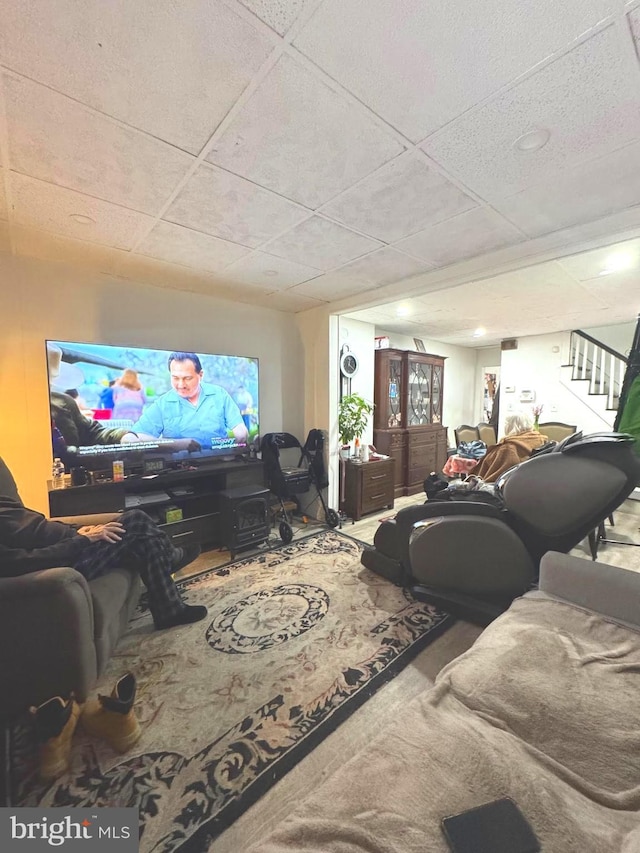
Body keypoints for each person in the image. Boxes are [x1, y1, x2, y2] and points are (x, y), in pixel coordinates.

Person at [0, 455, 207, 630]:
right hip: (62, 565)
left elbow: (40, 526)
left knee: (143, 541)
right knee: (136, 520)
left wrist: (77, 531)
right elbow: (23, 561)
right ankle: (170, 560)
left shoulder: (5, 504)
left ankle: (169, 610)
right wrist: (81, 541)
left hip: (71, 547)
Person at [127, 352, 249, 449]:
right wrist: (176, 444)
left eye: (187, 378)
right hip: (179, 471)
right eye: (175, 378)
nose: (181, 385)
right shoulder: (162, 404)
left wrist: (238, 443)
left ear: (200, 375)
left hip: (220, 465)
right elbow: (137, 436)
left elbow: (240, 429)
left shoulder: (219, 394)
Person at [473, 411, 548, 482]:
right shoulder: (540, 440)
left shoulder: (508, 448)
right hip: (531, 483)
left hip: (503, 487)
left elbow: (495, 475)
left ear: (509, 426)